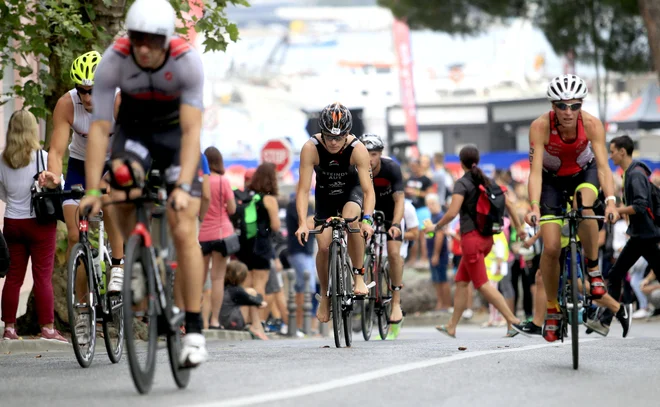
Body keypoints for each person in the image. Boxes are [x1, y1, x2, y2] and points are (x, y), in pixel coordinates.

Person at [79, 0, 208, 367]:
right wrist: (91, 190)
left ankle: (195, 331)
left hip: (174, 137)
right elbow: (101, 129)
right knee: (117, 185)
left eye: (153, 41)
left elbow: (191, 130)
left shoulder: (186, 61)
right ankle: (134, 259)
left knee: (183, 227)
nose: (145, 48)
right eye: (138, 39)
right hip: (134, 133)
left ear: (166, 40)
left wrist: (183, 185)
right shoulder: (114, 60)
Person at [525, 74, 619, 342]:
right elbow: (534, 173)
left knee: (584, 204)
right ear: (553, 106)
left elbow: (603, 166)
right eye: (562, 106)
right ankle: (553, 310)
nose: (568, 112)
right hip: (551, 181)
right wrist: (533, 206)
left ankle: (592, 268)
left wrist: (611, 200)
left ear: (581, 106)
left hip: (583, 173)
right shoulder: (540, 126)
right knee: (552, 247)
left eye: (575, 106)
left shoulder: (591, 124)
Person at [40, 51, 125, 294]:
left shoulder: (118, 102)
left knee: (107, 199)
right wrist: (55, 177)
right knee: (76, 235)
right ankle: (80, 305)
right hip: (80, 163)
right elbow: (56, 151)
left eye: (93, 90)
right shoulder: (67, 104)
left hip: (112, 161)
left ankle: (117, 265)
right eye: (82, 90)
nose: (87, 97)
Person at [427, 145, 525, 338]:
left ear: (461, 162)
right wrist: (519, 228)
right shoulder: (486, 180)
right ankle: (452, 326)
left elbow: (453, 212)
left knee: (482, 285)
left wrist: (435, 227)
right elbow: (510, 203)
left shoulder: (462, 183)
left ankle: (512, 321)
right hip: (486, 239)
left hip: (472, 240)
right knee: (462, 282)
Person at [294, 102, 375, 323]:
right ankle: (325, 296)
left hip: (352, 191)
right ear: (321, 131)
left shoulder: (358, 149)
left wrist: (367, 219)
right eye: (328, 136)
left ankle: (358, 277)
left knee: (352, 220)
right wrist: (303, 222)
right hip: (325, 195)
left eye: (338, 138)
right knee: (323, 246)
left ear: (347, 134)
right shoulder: (310, 148)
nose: (332, 142)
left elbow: (368, 190)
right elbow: (302, 190)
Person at [0, 110, 67, 343]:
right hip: (39, 224)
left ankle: (9, 327)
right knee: (42, 277)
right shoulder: (43, 157)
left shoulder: (2, 159)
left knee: (13, 277)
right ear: (32, 130)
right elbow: (61, 184)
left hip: (12, 223)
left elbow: (2, 194)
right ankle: (47, 328)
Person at [590, 135, 660, 332]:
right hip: (643, 234)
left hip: (643, 235)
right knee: (616, 274)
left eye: (612, 151)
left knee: (614, 274)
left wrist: (616, 210)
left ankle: (606, 320)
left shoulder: (635, 174)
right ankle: (607, 319)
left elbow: (640, 205)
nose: (610, 156)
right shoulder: (631, 172)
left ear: (622, 151)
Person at [360, 133, 405, 324]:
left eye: (374, 154)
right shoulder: (356, 168)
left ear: (380, 155)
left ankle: (395, 301)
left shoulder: (391, 168)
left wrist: (395, 224)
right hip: (366, 212)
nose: (370, 159)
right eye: (366, 154)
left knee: (394, 253)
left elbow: (400, 200)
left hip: (389, 212)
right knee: (357, 243)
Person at [235, 163, 281, 322]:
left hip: (245, 245)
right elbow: (275, 225)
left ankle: (244, 320)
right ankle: (258, 322)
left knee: (246, 283)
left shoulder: (249, 197)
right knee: (260, 283)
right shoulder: (269, 199)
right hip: (261, 245)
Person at [199, 147, 236, 330]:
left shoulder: (200, 181)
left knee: (200, 278)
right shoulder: (223, 181)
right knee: (217, 279)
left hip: (201, 233)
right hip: (221, 234)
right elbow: (232, 209)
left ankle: (199, 319)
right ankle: (214, 320)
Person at [220, 261, 269, 340]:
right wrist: (261, 302)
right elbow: (254, 300)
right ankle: (256, 326)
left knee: (249, 297)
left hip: (224, 322)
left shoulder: (225, 289)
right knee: (251, 292)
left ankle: (256, 326)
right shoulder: (236, 290)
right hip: (233, 323)